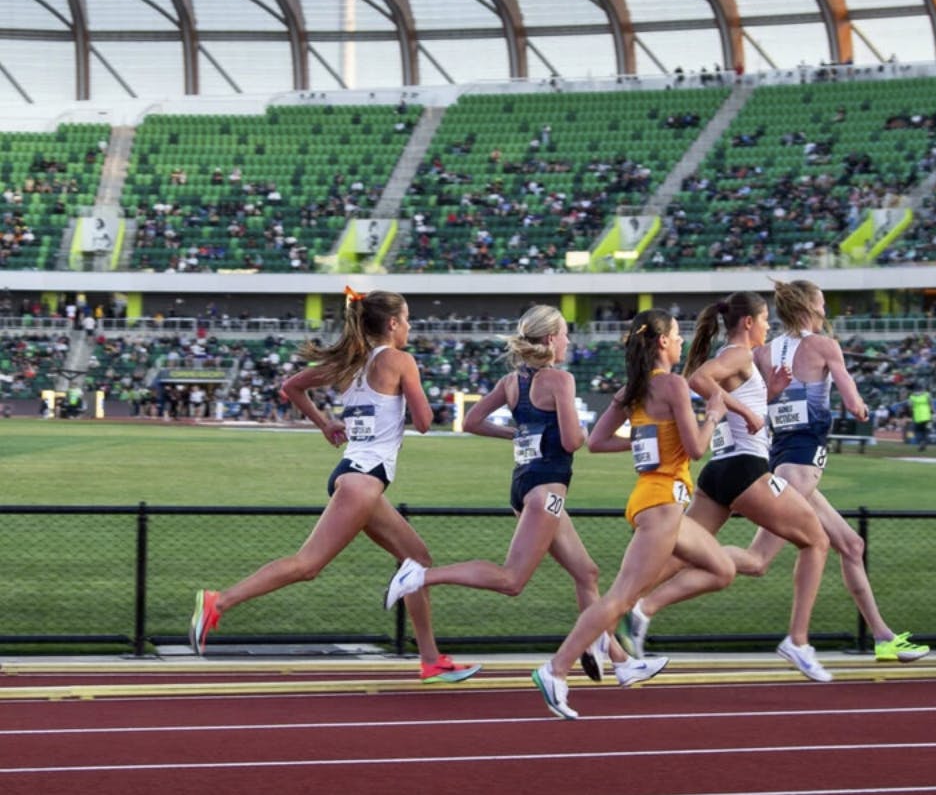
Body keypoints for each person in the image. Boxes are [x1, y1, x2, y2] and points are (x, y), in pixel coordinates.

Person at [189, 288, 480, 683]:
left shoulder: (350, 361)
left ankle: (430, 659)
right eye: (407, 319)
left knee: (418, 561)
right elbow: (426, 422)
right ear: (392, 324)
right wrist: (411, 388)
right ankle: (218, 601)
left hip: (357, 476)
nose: (410, 326)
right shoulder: (399, 360)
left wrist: (326, 423)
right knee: (308, 565)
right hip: (362, 481)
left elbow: (291, 387)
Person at [379, 305, 655, 687]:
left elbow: (473, 421)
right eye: (563, 334)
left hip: (526, 485)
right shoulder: (560, 380)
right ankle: (421, 575)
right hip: (547, 490)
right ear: (549, 339)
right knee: (512, 580)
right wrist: (624, 440)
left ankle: (620, 660)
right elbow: (576, 441)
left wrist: (516, 434)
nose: (568, 341)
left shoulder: (512, 382)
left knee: (586, 572)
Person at [532, 309, 736, 719]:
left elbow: (598, 442)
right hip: (661, 503)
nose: (681, 342)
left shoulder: (633, 390)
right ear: (662, 342)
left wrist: (650, 442)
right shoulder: (673, 385)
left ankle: (620, 652)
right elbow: (697, 448)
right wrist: (714, 414)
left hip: (662, 501)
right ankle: (555, 669)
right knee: (620, 596)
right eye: (677, 336)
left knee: (722, 569)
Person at [620, 292, 835, 681]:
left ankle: (630, 608)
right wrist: (744, 409)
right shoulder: (739, 353)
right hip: (746, 471)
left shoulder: (741, 360)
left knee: (684, 553)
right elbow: (698, 380)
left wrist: (766, 395)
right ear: (748, 323)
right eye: (766, 319)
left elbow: (731, 403)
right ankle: (798, 640)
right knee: (817, 541)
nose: (769, 326)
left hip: (719, 471)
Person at [736, 279, 929, 663]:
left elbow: (755, 403)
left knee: (852, 546)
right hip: (799, 472)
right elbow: (852, 396)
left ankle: (882, 637)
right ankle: (648, 599)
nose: (826, 311)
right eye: (822, 304)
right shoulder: (824, 346)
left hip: (785, 465)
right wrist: (859, 406)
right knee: (756, 561)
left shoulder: (765, 352)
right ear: (809, 307)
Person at [908, 383, 934, 451]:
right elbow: (931, 404)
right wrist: (933, 412)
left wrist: (912, 413)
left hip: (917, 417)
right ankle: (924, 442)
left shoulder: (912, 396)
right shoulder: (927, 395)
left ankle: (921, 442)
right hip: (927, 416)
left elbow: (910, 406)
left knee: (917, 431)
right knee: (927, 431)